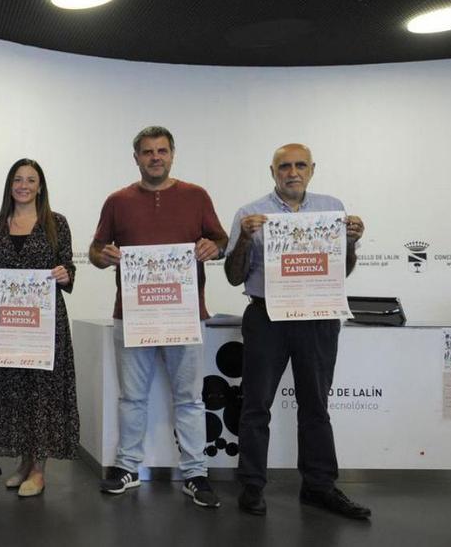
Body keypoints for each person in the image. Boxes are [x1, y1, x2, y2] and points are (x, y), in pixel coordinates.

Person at [224, 143, 371, 520]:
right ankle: (253, 485)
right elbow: (233, 276)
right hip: (267, 316)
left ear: (312, 169)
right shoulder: (249, 213)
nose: (293, 172)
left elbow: (341, 270)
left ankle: (319, 486)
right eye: (284, 166)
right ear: (272, 172)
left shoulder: (332, 208)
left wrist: (350, 244)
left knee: (316, 406)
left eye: (300, 165)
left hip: (318, 317)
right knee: (256, 405)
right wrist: (243, 237)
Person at [89, 126, 227, 508]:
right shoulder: (117, 201)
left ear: (172, 154)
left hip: (185, 314)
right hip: (133, 315)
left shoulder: (196, 196)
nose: (155, 158)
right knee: (132, 398)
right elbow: (95, 250)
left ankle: (196, 473)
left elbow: (222, 242)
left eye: (161, 151)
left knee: (190, 399)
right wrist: (105, 256)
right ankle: (127, 467)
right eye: (147, 152)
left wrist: (211, 247)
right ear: (136, 158)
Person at [0, 158, 80, 497]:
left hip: (47, 325)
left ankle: (39, 470)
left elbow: (68, 272)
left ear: (40, 187)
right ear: (10, 185)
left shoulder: (56, 223)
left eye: (31, 180)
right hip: (8, 324)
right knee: (14, 390)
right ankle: (23, 463)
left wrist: (65, 274)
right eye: (18, 179)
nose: (24, 185)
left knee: (42, 393)